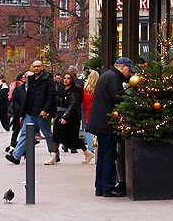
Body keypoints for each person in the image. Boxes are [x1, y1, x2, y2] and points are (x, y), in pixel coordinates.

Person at [86, 57, 134, 197]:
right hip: (107, 124)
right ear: (123, 67)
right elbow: (118, 97)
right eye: (129, 70)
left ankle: (100, 187)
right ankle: (108, 188)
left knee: (102, 156)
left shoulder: (107, 75)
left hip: (100, 122)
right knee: (109, 156)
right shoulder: (114, 77)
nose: (129, 74)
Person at [6, 60, 56, 165]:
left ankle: (54, 154)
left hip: (42, 113)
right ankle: (16, 156)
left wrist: (46, 110)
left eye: (38, 66)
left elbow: (51, 96)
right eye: (34, 66)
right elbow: (28, 97)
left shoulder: (48, 80)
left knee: (47, 134)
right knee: (24, 133)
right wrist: (23, 114)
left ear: (42, 67)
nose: (36, 68)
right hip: (30, 112)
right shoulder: (31, 79)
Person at [47, 73, 94, 164]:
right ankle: (53, 157)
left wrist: (66, 116)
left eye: (68, 78)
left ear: (72, 80)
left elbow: (73, 104)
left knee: (71, 138)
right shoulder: (61, 90)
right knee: (56, 135)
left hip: (71, 117)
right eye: (64, 78)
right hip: (60, 114)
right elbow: (56, 102)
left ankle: (87, 152)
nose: (65, 80)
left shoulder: (74, 91)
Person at [82, 66, 99, 162]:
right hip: (97, 110)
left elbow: (84, 102)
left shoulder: (86, 88)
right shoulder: (98, 88)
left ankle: (90, 149)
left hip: (88, 110)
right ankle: (94, 149)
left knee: (89, 130)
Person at [7, 72, 27, 150]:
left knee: (19, 127)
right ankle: (14, 142)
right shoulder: (19, 86)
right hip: (19, 111)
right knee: (18, 127)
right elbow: (14, 98)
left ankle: (15, 142)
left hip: (23, 111)